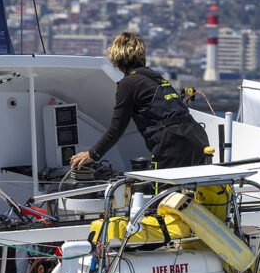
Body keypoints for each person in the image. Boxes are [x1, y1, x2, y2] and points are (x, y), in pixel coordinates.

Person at [70, 32, 209, 171]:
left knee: (167, 192)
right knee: (193, 191)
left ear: (117, 56)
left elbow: (116, 129)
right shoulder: (155, 77)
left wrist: (92, 154)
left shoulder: (128, 83)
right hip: (197, 137)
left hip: (173, 145)